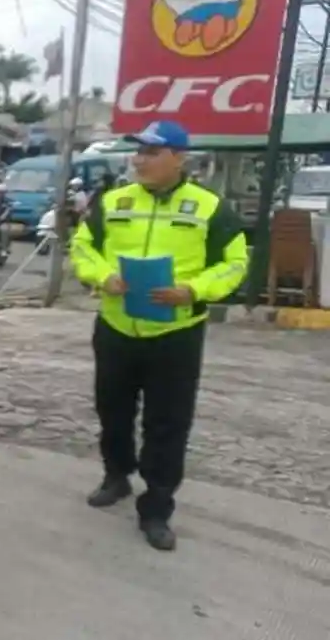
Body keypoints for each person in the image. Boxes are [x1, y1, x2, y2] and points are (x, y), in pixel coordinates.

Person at [70, 120, 248, 551]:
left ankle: (157, 506)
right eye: (138, 152)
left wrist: (193, 291)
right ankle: (116, 475)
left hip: (176, 332)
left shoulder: (209, 207)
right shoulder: (113, 201)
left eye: (151, 153)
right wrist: (103, 276)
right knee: (112, 409)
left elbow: (236, 262)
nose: (140, 160)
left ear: (179, 158)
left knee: (167, 422)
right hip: (116, 326)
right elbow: (81, 246)